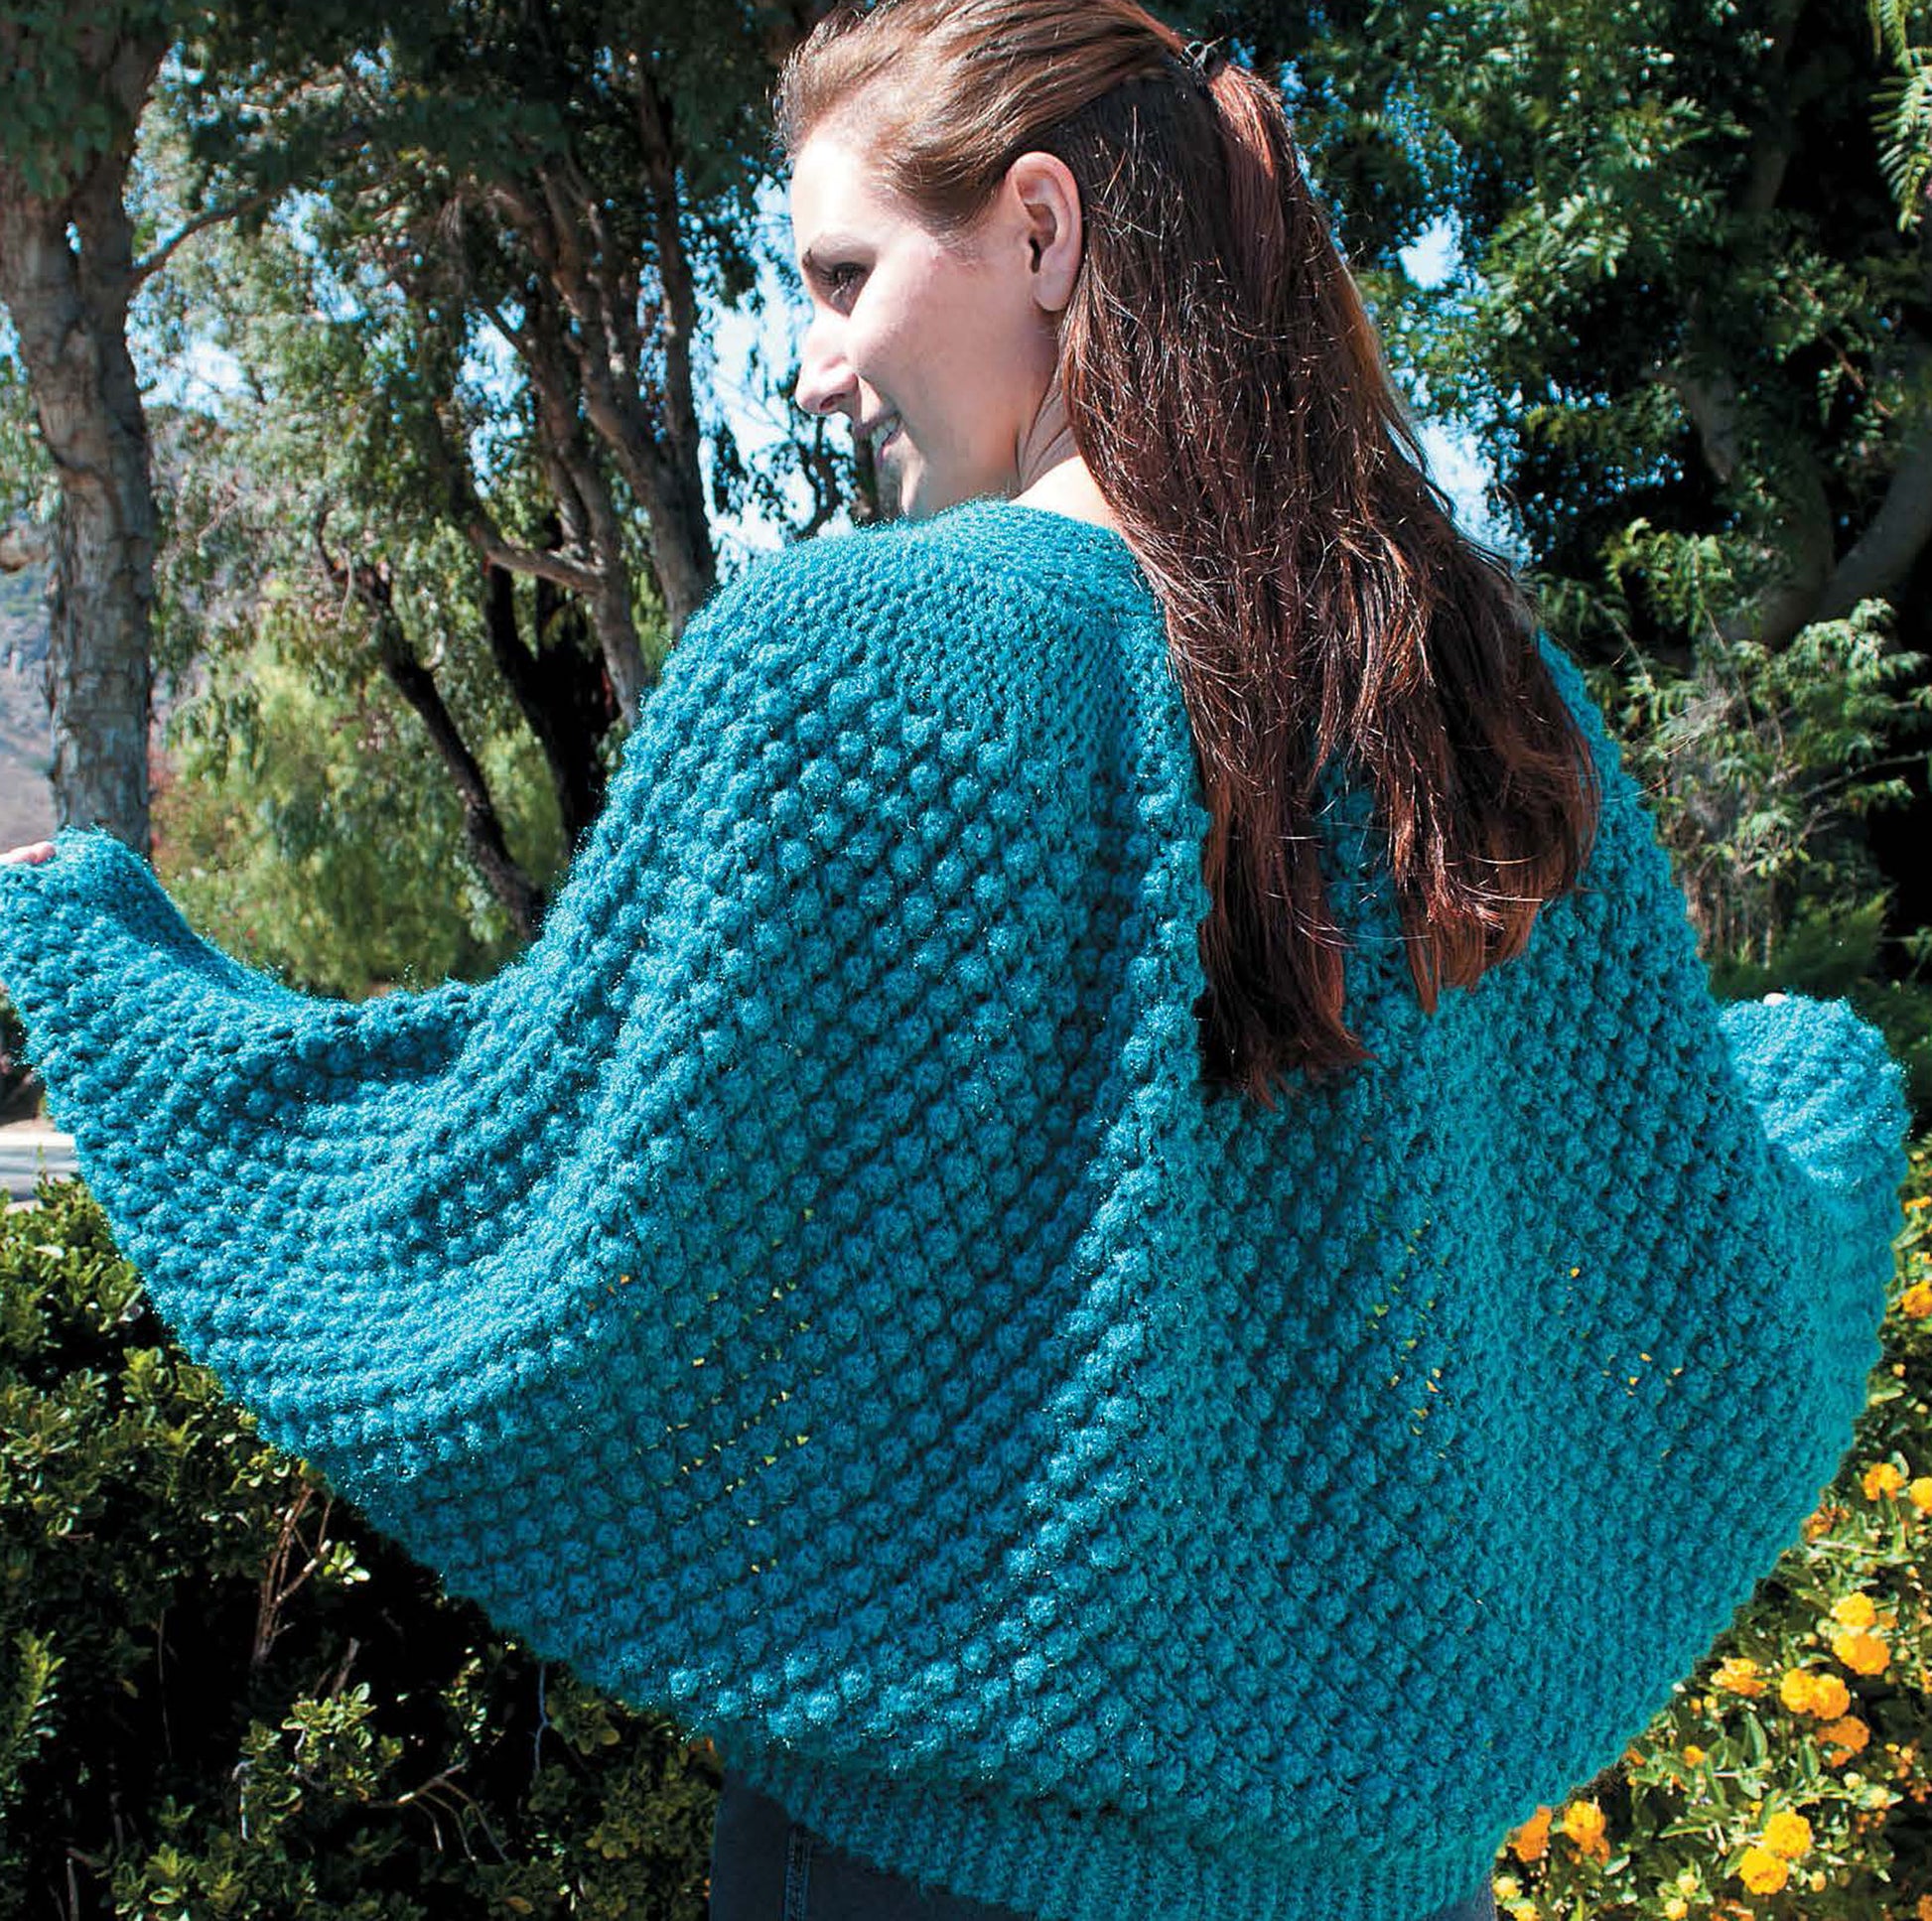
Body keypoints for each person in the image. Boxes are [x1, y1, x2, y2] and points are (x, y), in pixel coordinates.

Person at [0, 3, 1909, 1920]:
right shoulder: (1486, 696)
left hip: (918, 1880)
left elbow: (523, 1202)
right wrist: (1826, 1091)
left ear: (1043, 231)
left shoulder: (861, 669)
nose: (813, 367)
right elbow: (1703, 1255)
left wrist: (85, 943)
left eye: (842, 275)